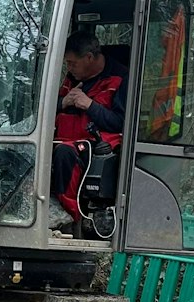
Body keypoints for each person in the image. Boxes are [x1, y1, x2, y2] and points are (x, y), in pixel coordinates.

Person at [52, 30, 126, 226]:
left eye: (72, 63)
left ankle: (67, 213)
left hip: (96, 144)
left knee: (64, 154)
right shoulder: (72, 78)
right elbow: (49, 108)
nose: (69, 67)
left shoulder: (120, 79)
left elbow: (120, 122)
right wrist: (63, 102)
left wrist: (90, 105)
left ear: (89, 58)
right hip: (63, 137)